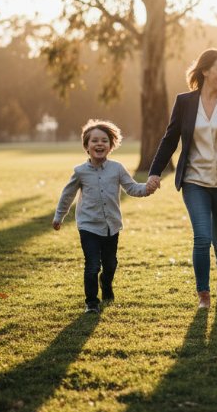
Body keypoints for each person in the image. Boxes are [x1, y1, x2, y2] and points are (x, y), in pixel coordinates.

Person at [146, 49, 217, 309]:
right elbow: (170, 139)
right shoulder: (185, 102)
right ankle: (203, 294)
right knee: (201, 237)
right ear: (205, 71)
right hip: (194, 180)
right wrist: (154, 172)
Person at [53, 119, 152, 314]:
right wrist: (59, 216)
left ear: (111, 145)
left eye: (104, 141)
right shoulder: (80, 172)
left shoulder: (117, 169)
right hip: (88, 226)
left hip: (111, 226)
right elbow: (68, 194)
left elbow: (131, 188)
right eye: (94, 141)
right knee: (92, 265)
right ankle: (91, 302)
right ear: (87, 146)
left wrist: (146, 188)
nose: (99, 144)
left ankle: (106, 284)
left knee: (110, 264)